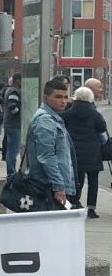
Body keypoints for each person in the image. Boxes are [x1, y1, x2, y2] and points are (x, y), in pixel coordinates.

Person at [27, 77, 76, 208]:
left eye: (66, 97)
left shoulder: (54, 118)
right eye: (58, 97)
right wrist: (59, 186)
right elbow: (47, 156)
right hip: (48, 188)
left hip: (51, 186)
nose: (63, 101)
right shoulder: (46, 121)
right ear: (46, 98)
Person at [62, 86, 106, 217]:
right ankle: (91, 208)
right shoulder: (94, 113)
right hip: (92, 151)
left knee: (77, 179)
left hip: (74, 151)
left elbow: (61, 121)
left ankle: (75, 202)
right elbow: (102, 127)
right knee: (93, 181)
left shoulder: (69, 112)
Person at [3, 74, 22, 176]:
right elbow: (12, 105)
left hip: (10, 123)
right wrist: (21, 114)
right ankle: (11, 172)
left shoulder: (9, 90)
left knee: (11, 149)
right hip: (14, 124)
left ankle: (11, 171)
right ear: (17, 80)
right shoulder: (14, 91)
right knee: (13, 150)